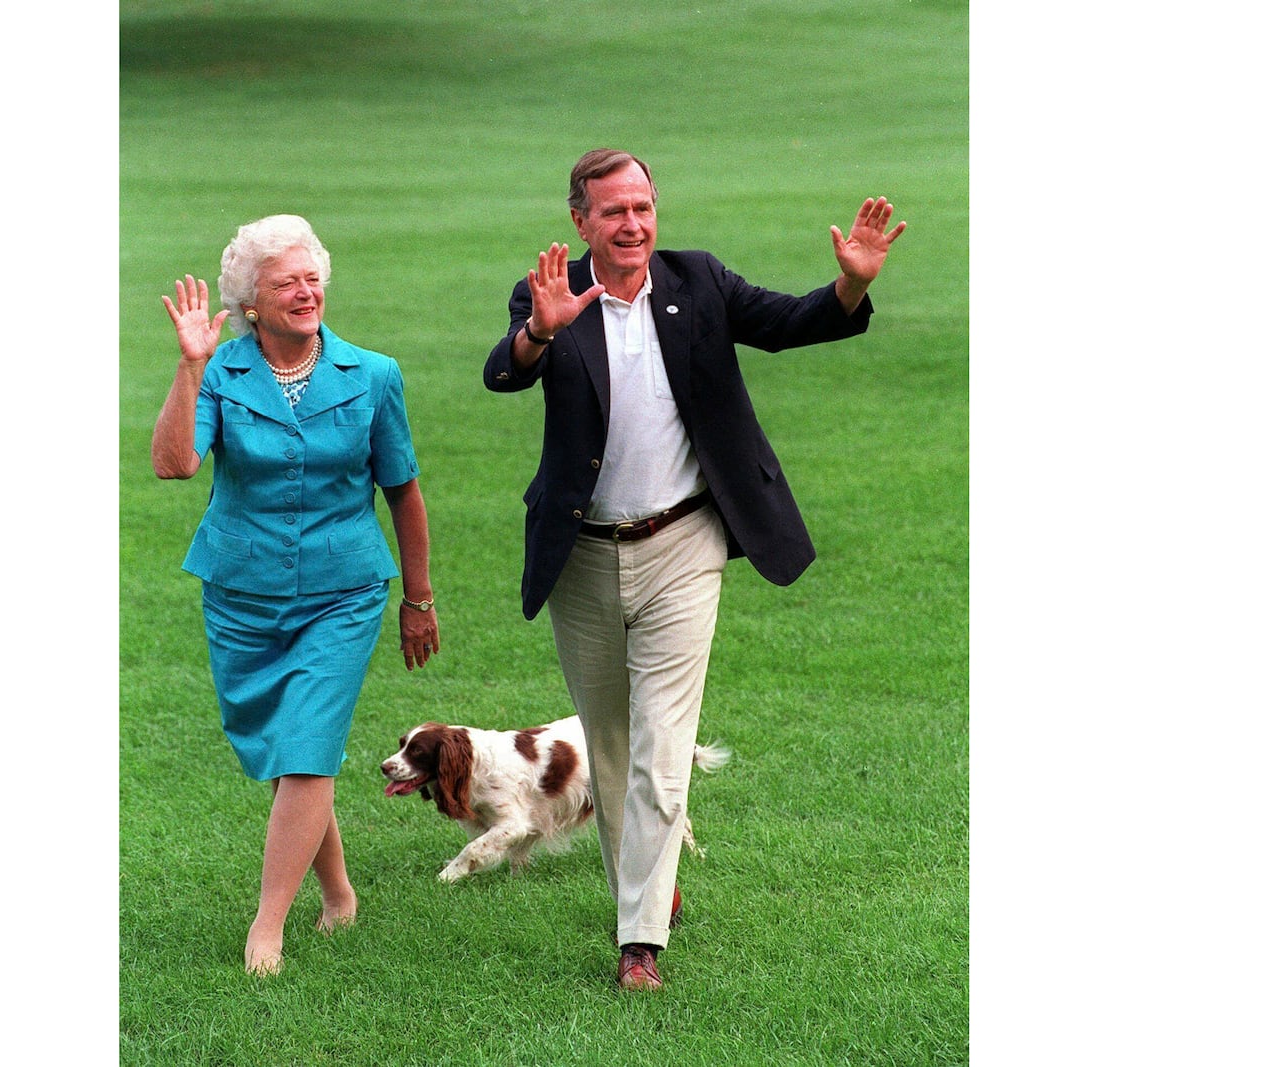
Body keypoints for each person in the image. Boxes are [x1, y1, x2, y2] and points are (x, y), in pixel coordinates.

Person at [482, 149, 904, 990]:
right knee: (607, 745)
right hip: (583, 554)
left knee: (662, 745)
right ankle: (649, 884)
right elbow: (503, 371)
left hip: (685, 542)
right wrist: (541, 330)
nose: (633, 224)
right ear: (581, 222)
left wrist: (852, 284)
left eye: (642, 206)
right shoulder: (551, 291)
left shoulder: (698, 280)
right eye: (613, 212)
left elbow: (791, 321)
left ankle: (639, 939)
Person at [152, 213, 440, 976]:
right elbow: (176, 464)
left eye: (313, 278)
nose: (306, 291)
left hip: (343, 592)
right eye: (287, 282)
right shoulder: (221, 372)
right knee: (288, 754)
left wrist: (418, 598)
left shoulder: (372, 374)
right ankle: (340, 892)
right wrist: (189, 368)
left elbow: (403, 491)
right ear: (251, 301)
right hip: (241, 593)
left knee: (309, 748)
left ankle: (267, 928)